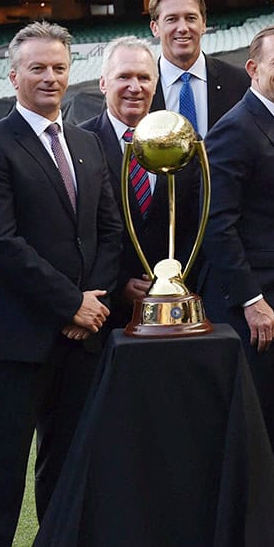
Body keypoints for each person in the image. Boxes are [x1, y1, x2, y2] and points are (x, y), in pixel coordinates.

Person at [0, 22, 122, 547]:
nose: (50, 77)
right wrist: (69, 303)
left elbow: (110, 231)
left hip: (83, 337)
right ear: (13, 76)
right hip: (16, 340)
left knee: (68, 463)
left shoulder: (86, 142)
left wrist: (92, 304)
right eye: (37, 67)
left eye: (59, 67)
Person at [199, 25, 274, 547]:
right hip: (255, 314)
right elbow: (218, 225)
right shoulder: (236, 129)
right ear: (253, 68)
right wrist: (251, 299)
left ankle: (267, 544)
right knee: (251, 434)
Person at [80, 36, 202, 329]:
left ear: (155, 85)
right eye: (124, 76)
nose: (135, 87)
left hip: (172, 309)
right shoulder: (79, 145)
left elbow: (194, 223)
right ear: (103, 84)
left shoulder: (181, 143)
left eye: (144, 78)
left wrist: (173, 278)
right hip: (104, 314)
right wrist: (119, 282)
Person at [147, 0, 249, 137]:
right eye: (171, 19)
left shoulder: (241, 82)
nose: (182, 28)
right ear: (155, 28)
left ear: (203, 24)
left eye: (191, 18)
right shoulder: (138, 89)